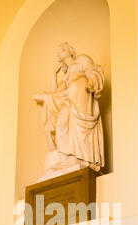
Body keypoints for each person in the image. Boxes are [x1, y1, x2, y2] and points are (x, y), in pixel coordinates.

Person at [34, 43, 105, 174]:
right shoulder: (66, 74)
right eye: (59, 51)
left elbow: (94, 71)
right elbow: (55, 93)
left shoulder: (82, 59)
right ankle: (66, 154)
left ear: (71, 50)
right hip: (70, 102)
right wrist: (54, 75)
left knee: (76, 125)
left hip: (83, 99)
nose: (60, 52)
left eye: (63, 49)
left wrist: (91, 82)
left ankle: (83, 156)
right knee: (62, 121)